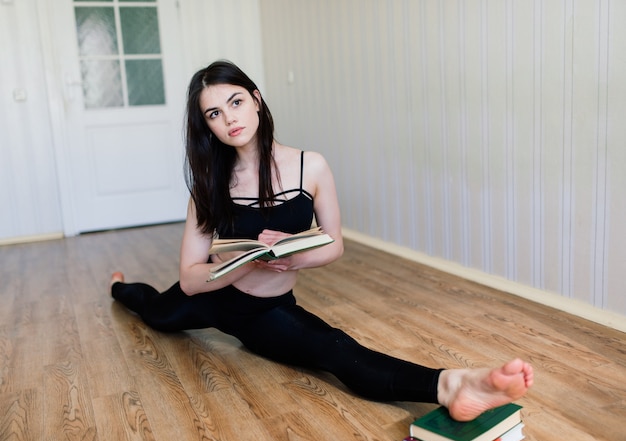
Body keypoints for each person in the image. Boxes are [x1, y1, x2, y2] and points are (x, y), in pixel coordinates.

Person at [110, 60, 533, 422]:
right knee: (154, 311)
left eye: (235, 102)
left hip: (266, 312)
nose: (229, 118)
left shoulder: (309, 167)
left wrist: (291, 259)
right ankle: (118, 286)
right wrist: (246, 259)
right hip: (214, 297)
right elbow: (189, 278)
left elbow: (334, 244)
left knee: (335, 349)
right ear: (207, 125)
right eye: (214, 114)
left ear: (256, 99)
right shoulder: (208, 186)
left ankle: (455, 384)